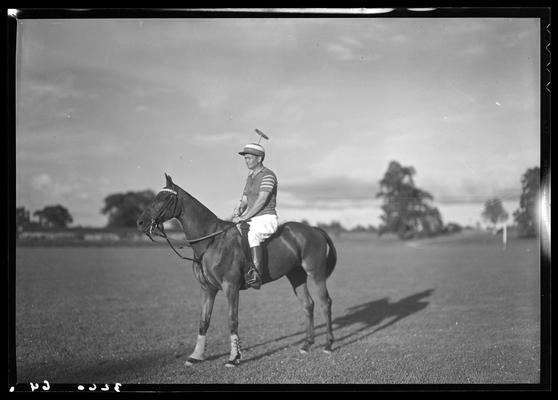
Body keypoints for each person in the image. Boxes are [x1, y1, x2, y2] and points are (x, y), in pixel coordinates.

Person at [232, 142, 278, 289]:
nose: (246, 161)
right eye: (245, 158)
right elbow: (245, 199)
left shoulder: (268, 175)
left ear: (259, 159)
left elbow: (262, 200)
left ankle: (256, 275)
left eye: (249, 158)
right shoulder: (250, 176)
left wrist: (244, 217)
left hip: (267, 218)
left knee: (253, 235)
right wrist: (239, 208)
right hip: (252, 217)